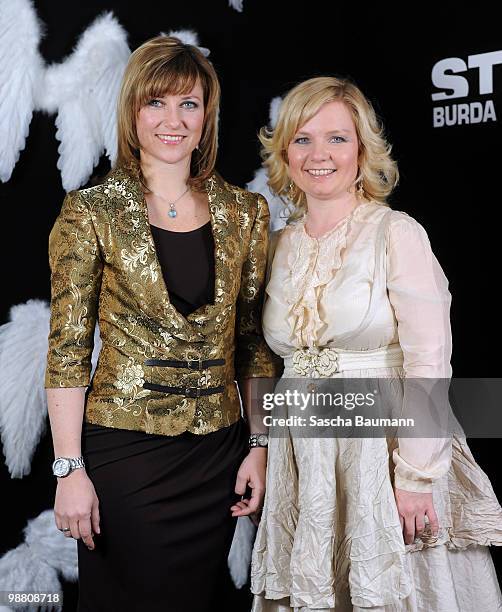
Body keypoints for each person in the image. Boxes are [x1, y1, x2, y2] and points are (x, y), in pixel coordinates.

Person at [248, 76, 502, 611]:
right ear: (285, 150)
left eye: (337, 138)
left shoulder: (396, 233)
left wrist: (414, 476)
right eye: (303, 139)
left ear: (362, 149)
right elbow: (271, 364)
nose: (320, 154)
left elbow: (429, 359)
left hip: (383, 452)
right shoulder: (276, 245)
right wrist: (264, 449)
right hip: (306, 455)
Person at [45, 36, 279, 612]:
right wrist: (69, 470)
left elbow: (252, 345)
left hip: (216, 459)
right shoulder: (92, 211)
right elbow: (68, 351)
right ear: (132, 112)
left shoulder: (245, 212)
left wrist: (258, 444)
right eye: (157, 103)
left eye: (189, 104)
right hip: (124, 457)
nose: (173, 120)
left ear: (207, 116)